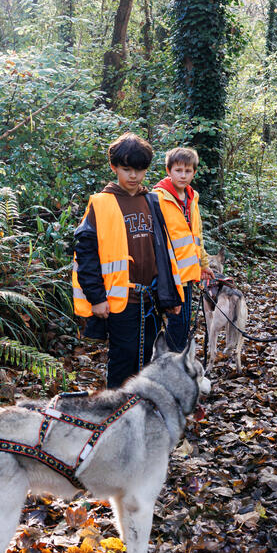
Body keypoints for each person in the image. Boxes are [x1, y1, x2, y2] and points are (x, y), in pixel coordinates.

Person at [72, 132, 184, 389]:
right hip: (119, 302)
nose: (133, 176)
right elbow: (85, 255)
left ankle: (141, 412)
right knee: (124, 360)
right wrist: (97, 297)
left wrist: (172, 296)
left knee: (148, 359)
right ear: (114, 167)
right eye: (126, 169)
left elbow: (165, 253)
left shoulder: (151, 201)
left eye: (140, 170)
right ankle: (115, 415)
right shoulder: (101, 204)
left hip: (151, 299)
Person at [153, 146, 213, 351]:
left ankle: (174, 361)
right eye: (178, 170)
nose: (183, 175)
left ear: (194, 173)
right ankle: (172, 363)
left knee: (184, 322)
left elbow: (197, 235)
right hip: (168, 273)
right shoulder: (158, 197)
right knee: (176, 322)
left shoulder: (192, 197)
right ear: (168, 171)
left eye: (188, 171)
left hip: (186, 274)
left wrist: (203, 264)